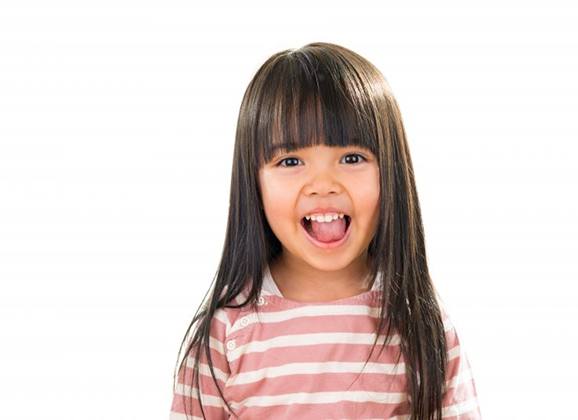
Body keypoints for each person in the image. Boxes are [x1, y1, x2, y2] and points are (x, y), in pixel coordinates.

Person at [169, 42, 482, 419]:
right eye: (290, 161)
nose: (322, 184)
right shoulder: (224, 331)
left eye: (352, 158)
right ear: (254, 181)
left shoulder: (419, 324)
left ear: (392, 173)